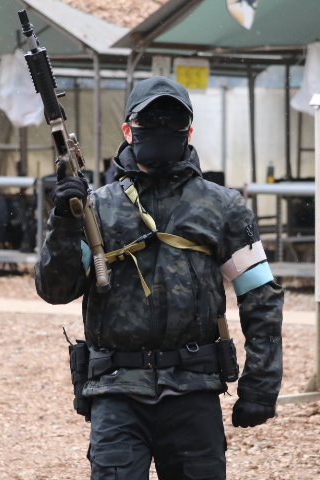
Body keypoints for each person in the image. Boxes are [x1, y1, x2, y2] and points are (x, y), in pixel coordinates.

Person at [35, 76, 283, 479]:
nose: (162, 128)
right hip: (117, 392)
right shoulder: (97, 208)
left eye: (173, 121)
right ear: (127, 130)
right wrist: (64, 220)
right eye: (150, 120)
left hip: (194, 390)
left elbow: (261, 297)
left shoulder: (223, 208)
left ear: (189, 131)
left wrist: (261, 384)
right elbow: (55, 290)